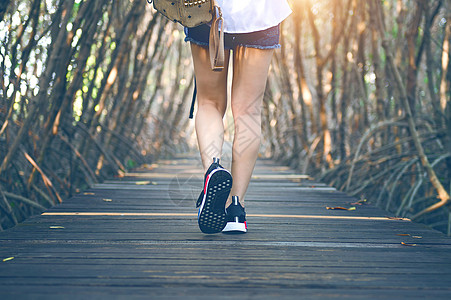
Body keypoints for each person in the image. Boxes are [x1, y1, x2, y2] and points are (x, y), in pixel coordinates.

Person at [185, 0, 292, 234]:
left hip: (206, 11)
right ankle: (236, 209)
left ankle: (212, 170)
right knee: (248, 112)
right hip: (261, 13)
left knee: (209, 103)